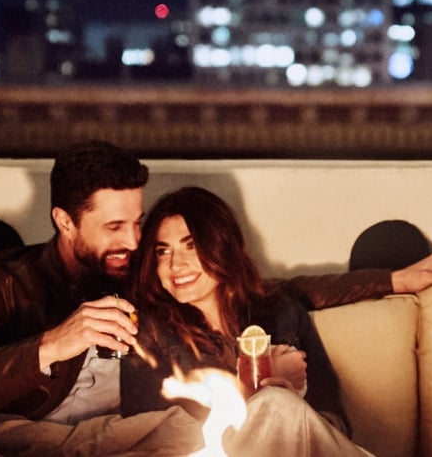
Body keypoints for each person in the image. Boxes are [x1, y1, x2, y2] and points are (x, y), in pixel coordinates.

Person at [0, 141, 432, 456]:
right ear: (65, 222)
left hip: (148, 437)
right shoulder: (0, 283)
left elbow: (268, 292)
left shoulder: (140, 277)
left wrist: (390, 281)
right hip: (41, 440)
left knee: (269, 414)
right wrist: (50, 345)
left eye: (138, 222)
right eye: (114, 227)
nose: (134, 242)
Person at [120, 186, 372, 454]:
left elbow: (335, 422)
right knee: (276, 402)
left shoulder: (283, 314)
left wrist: (294, 411)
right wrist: (255, 392)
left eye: (191, 246)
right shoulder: (148, 331)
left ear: (222, 245)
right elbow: (152, 439)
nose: (175, 265)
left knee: (281, 405)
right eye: (162, 251)